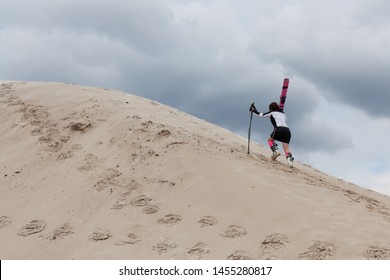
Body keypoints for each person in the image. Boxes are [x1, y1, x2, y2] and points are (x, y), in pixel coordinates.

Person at [249, 102, 294, 167]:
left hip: (279, 129)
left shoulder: (272, 113)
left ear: (271, 108)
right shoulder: (283, 113)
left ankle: (276, 151)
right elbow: (286, 120)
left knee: (270, 140)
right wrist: (281, 113)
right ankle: (290, 161)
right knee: (286, 148)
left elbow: (261, 115)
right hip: (287, 131)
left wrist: (253, 110)